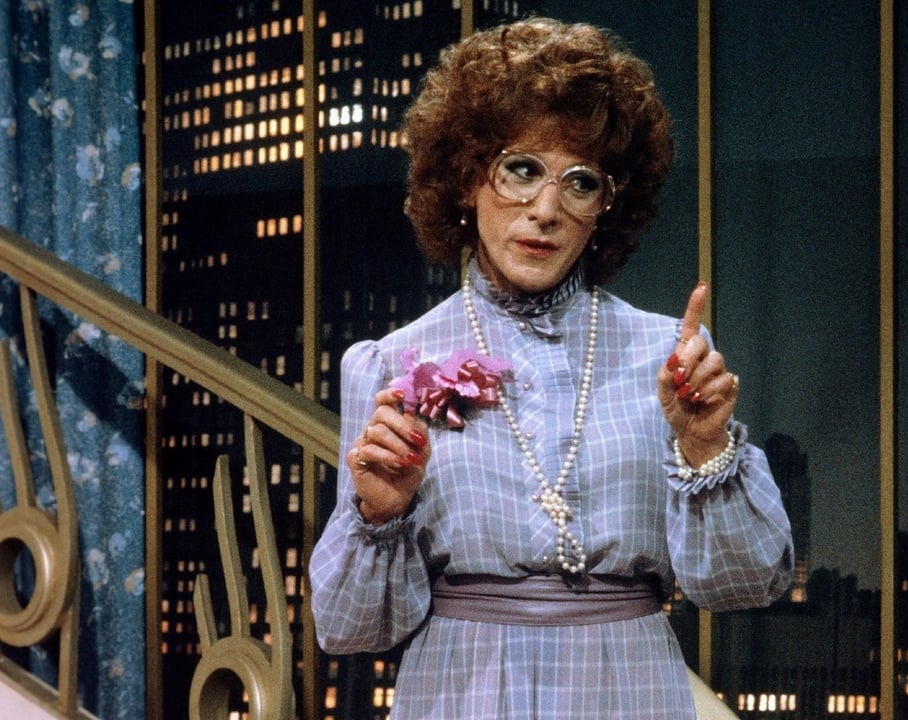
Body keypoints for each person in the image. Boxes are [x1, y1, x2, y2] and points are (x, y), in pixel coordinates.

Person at [309, 17, 793, 719]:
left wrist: (705, 447)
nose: (545, 209)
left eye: (580, 182)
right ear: (467, 178)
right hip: (462, 692)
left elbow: (746, 586)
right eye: (521, 169)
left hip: (631, 690)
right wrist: (381, 514)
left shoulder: (668, 355)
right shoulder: (389, 366)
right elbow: (349, 630)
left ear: (606, 206)